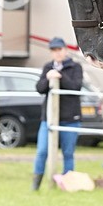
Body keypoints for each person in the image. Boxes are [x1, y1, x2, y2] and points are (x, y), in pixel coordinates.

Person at [33, 36, 83, 190]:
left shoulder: (75, 67)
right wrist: (48, 78)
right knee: (42, 151)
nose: (57, 53)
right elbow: (40, 89)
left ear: (65, 50)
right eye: (53, 50)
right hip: (48, 119)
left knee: (68, 153)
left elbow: (76, 87)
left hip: (70, 118)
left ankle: (67, 185)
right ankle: (36, 185)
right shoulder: (48, 67)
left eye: (59, 49)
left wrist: (61, 76)